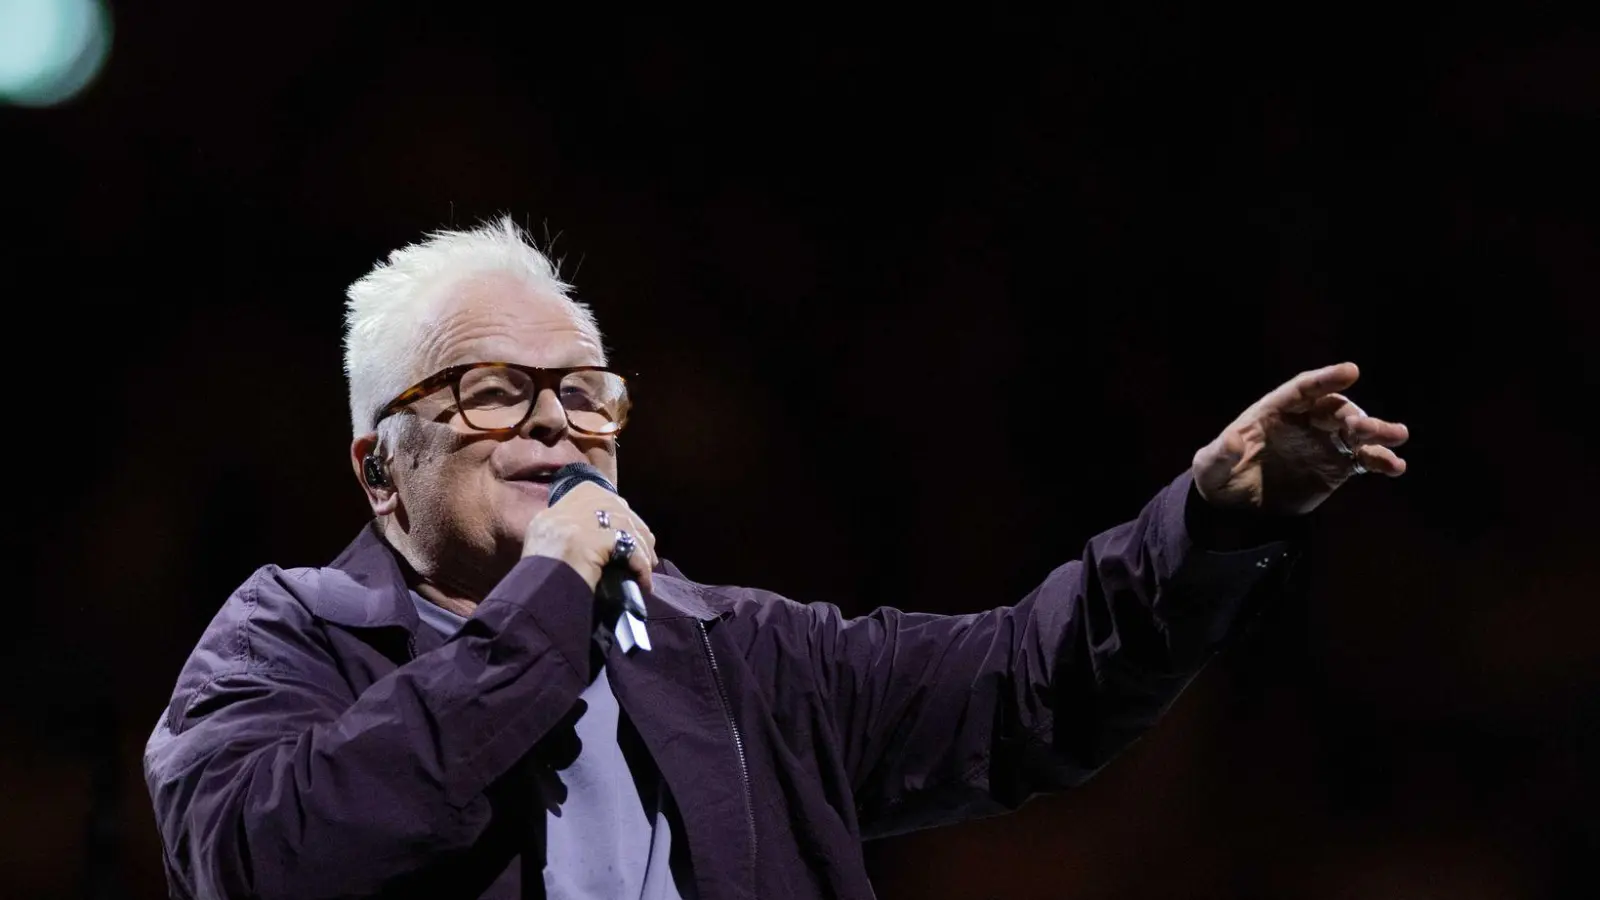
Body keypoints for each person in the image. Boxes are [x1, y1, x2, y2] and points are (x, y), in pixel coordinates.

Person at [143, 216, 1410, 900]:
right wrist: (542, 607)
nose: (553, 420)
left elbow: (1031, 687)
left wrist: (1214, 521)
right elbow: (277, 860)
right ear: (379, 467)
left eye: (586, 395)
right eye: (491, 390)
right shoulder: (286, 642)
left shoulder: (735, 657)